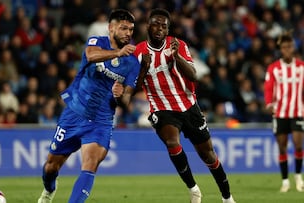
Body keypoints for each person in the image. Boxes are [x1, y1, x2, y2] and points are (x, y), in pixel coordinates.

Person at [133, 9, 236, 203]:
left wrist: (176, 58)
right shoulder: (138, 52)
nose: (160, 29)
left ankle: (227, 197)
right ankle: (193, 188)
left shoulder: (178, 44)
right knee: (172, 142)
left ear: (168, 29)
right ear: (148, 25)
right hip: (162, 107)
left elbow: (193, 75)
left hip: (188, 105)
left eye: (164, 26)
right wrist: (143, 68)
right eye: (156, 24)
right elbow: (135, 87)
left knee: (208, 155)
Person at [37, 9, 140, 203]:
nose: (128, 33)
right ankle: (49, 190)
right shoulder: (96, 42)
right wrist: (117, 52)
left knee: (90, 164)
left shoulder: (133, 63)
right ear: (111, 28)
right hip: (75, 113)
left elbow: (127, 98)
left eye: (131, 29)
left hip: (101, 121)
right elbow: (91, 55)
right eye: (123, 28)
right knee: (51, 166)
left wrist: (121, 96)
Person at [264, 31, 304, 193]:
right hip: (280, 112)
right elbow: (268, 88)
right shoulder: (274, 68)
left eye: (289, 47)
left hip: (298, 111)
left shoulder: (301, 67)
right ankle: (285, 181)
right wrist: (268, 104)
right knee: (282, 147)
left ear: (293, 48)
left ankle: (298, 178)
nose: (287, 50)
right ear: (281, 49)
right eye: (284, 47)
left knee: (298, 145)